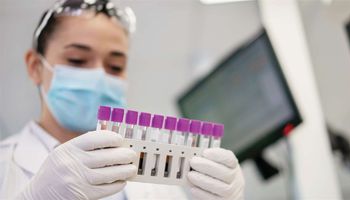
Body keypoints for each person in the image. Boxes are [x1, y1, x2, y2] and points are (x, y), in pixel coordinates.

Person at [0, 0, 245, 199]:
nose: (99, 76)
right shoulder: (5, 167)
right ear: (34, 66)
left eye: (115, 66)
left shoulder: (156, 177)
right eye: (77, 60)